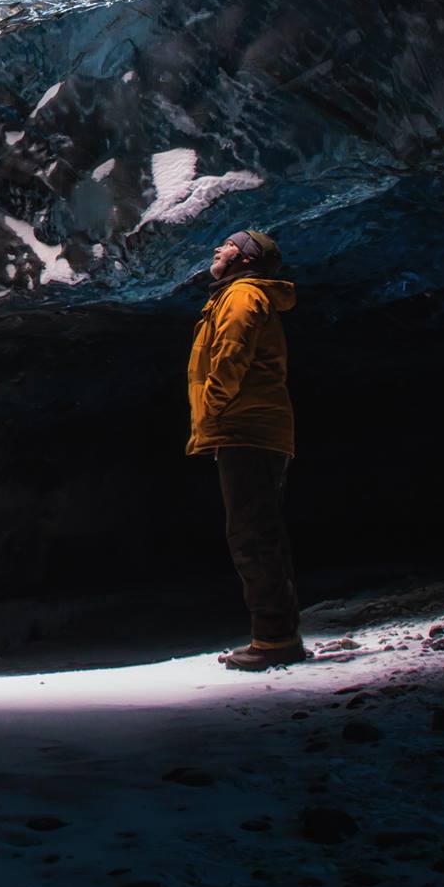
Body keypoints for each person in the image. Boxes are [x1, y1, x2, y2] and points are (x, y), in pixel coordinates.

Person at [187, 229, 303, 670]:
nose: (218, 248)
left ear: (246, 260)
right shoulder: (236, 295)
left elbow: (231, 356)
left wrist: (214, 407)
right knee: (259, 532)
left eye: (229, 245)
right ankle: (278, 634)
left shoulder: (242, 297)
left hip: (246, 429)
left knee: (252, 535)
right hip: (249, 428)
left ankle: (275, 640)